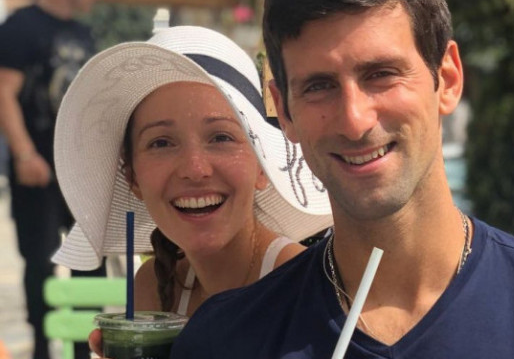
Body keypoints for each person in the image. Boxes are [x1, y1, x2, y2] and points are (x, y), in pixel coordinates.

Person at [170, 0, 514, 358]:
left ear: (448, 79)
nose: (354, 120)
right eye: (319, 86)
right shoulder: (225, 340)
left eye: (381, 74)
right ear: (284, 112)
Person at [49, 26, 333, 355]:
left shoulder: (308, 291)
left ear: (262, 165)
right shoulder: (154, 289)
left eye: (221, 137)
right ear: (132, 177)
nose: (195, 169)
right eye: (161, 143)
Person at [0, 0, 103, 358]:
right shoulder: (21, 26)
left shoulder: (83, 33)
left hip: (80, 172)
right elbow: (3, 91)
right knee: (40, 262)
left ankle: (84, 347)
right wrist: (25, 154)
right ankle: (42, 347)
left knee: (89, 262)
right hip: (37, 172)